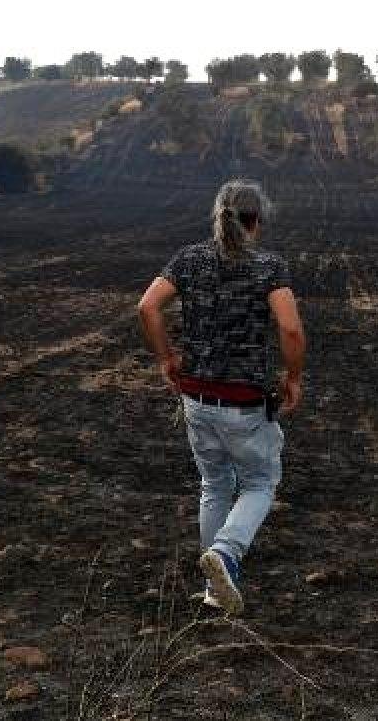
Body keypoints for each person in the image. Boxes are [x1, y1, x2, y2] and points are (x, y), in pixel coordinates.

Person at [137, 179, 306, 616]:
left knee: (214, 484)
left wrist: (166, 357)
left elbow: (147, 306)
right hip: (245, 400)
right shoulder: (268, 267)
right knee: (259, 483)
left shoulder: (189, 259)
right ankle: (227, 554)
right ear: (257, 220)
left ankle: (215, 590)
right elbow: (289, 328)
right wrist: (294, 378)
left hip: (196, 397)